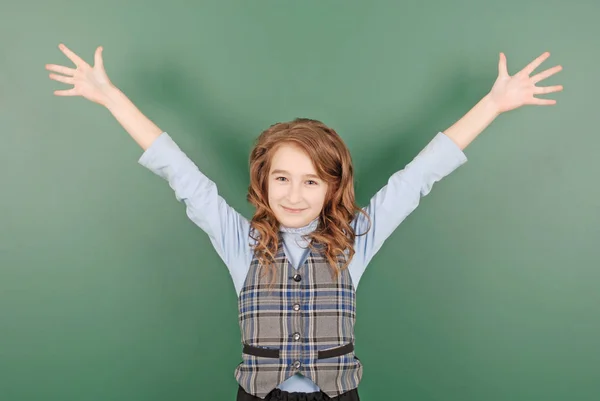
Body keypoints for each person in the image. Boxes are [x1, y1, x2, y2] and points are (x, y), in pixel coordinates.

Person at [45, 44, 563, 401]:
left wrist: (494, 104)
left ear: (334, 187)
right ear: (264, 183)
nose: (295, 195)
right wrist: (110, 96)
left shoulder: (356, 237)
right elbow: (178, 171)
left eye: (312, 181)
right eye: (283, 179)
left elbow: (419, 175)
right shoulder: (238, 241)